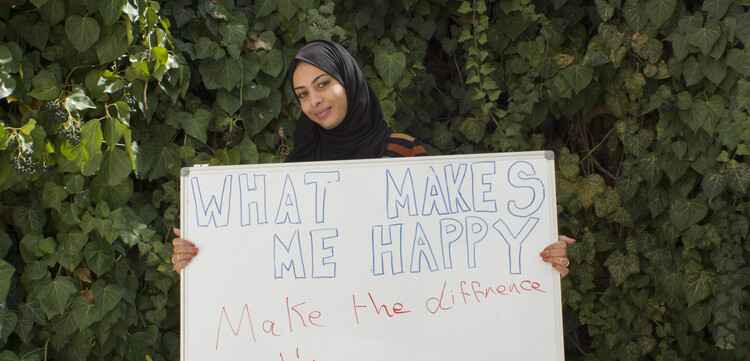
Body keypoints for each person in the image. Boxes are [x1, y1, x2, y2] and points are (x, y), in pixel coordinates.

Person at [171, 40, 575, 276]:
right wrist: (202, 255)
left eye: (323, 83)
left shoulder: (404, 150)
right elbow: (264, 255)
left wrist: (532, 248)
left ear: (348, 81)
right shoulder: (294, 174)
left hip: (398, 328)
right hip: (314, 333)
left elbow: (451, 242)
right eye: (302, 95)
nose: (314, 101)